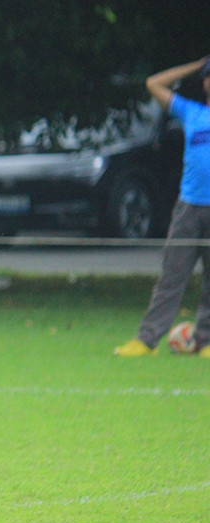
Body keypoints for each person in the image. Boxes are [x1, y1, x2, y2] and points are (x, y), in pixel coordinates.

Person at [115, 56, 210, 357]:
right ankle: (147, 340)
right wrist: (196, 66)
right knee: (172, 276)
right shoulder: (192, 113)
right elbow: (153, 83)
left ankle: (207, 340)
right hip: (189, 207)